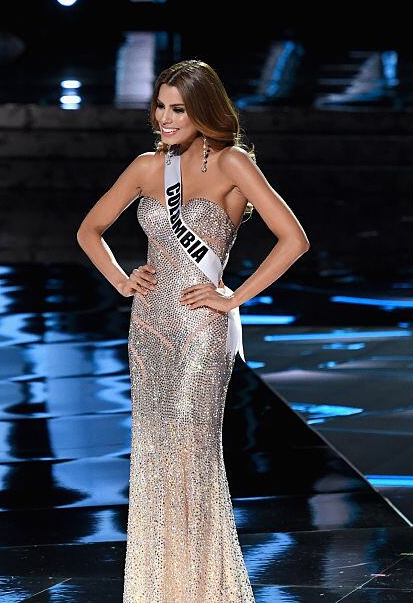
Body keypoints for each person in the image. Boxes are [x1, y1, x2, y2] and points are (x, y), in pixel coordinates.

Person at [77, 60, 309, 602]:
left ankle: (202, 587)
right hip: (149, 326)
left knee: (192, 450)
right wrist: (122, 279)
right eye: (160, 106)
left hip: (203, 327)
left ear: (203, 110)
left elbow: (293, 239)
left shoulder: (232, 162)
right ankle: (160, 586)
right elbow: (90, 229)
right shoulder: (146, 167)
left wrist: (233, 297)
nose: (165, 118)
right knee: (155, 452)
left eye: (178, 109)